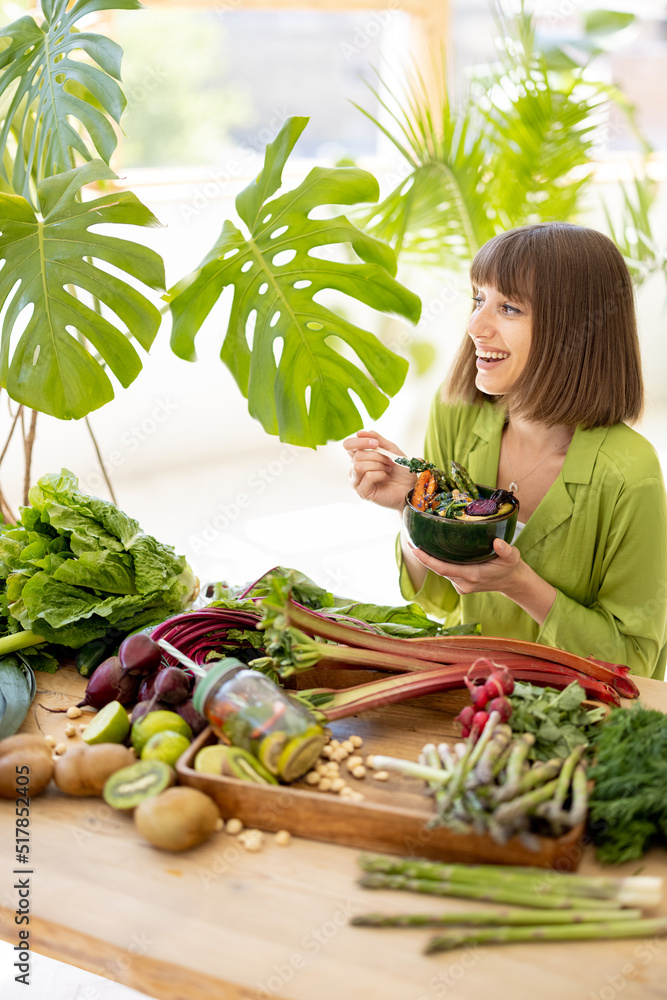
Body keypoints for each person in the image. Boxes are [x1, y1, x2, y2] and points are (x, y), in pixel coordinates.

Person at [344, 222, 667, 680]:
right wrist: (414, 507)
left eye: (510, 307)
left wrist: (520, 585)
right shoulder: (455, 413)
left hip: (573, 717)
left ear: (575, 330)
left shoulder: (630, 473)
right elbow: (437, 599)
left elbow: (635, 664)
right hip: (466, 689)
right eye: (478, 300)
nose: (476, 325)